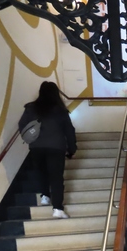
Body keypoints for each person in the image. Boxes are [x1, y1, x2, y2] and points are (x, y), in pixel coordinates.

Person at [18, 81, 77, 219]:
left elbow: (22, 125)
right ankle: (57, 209)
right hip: (56, 148)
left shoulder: (30, 108)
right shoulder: (60, 110)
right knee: (56, 177)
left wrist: (30, 138)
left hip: (36, 147)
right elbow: (69, 130)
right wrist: (72, 148)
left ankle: (45, 196)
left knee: (41, 172)